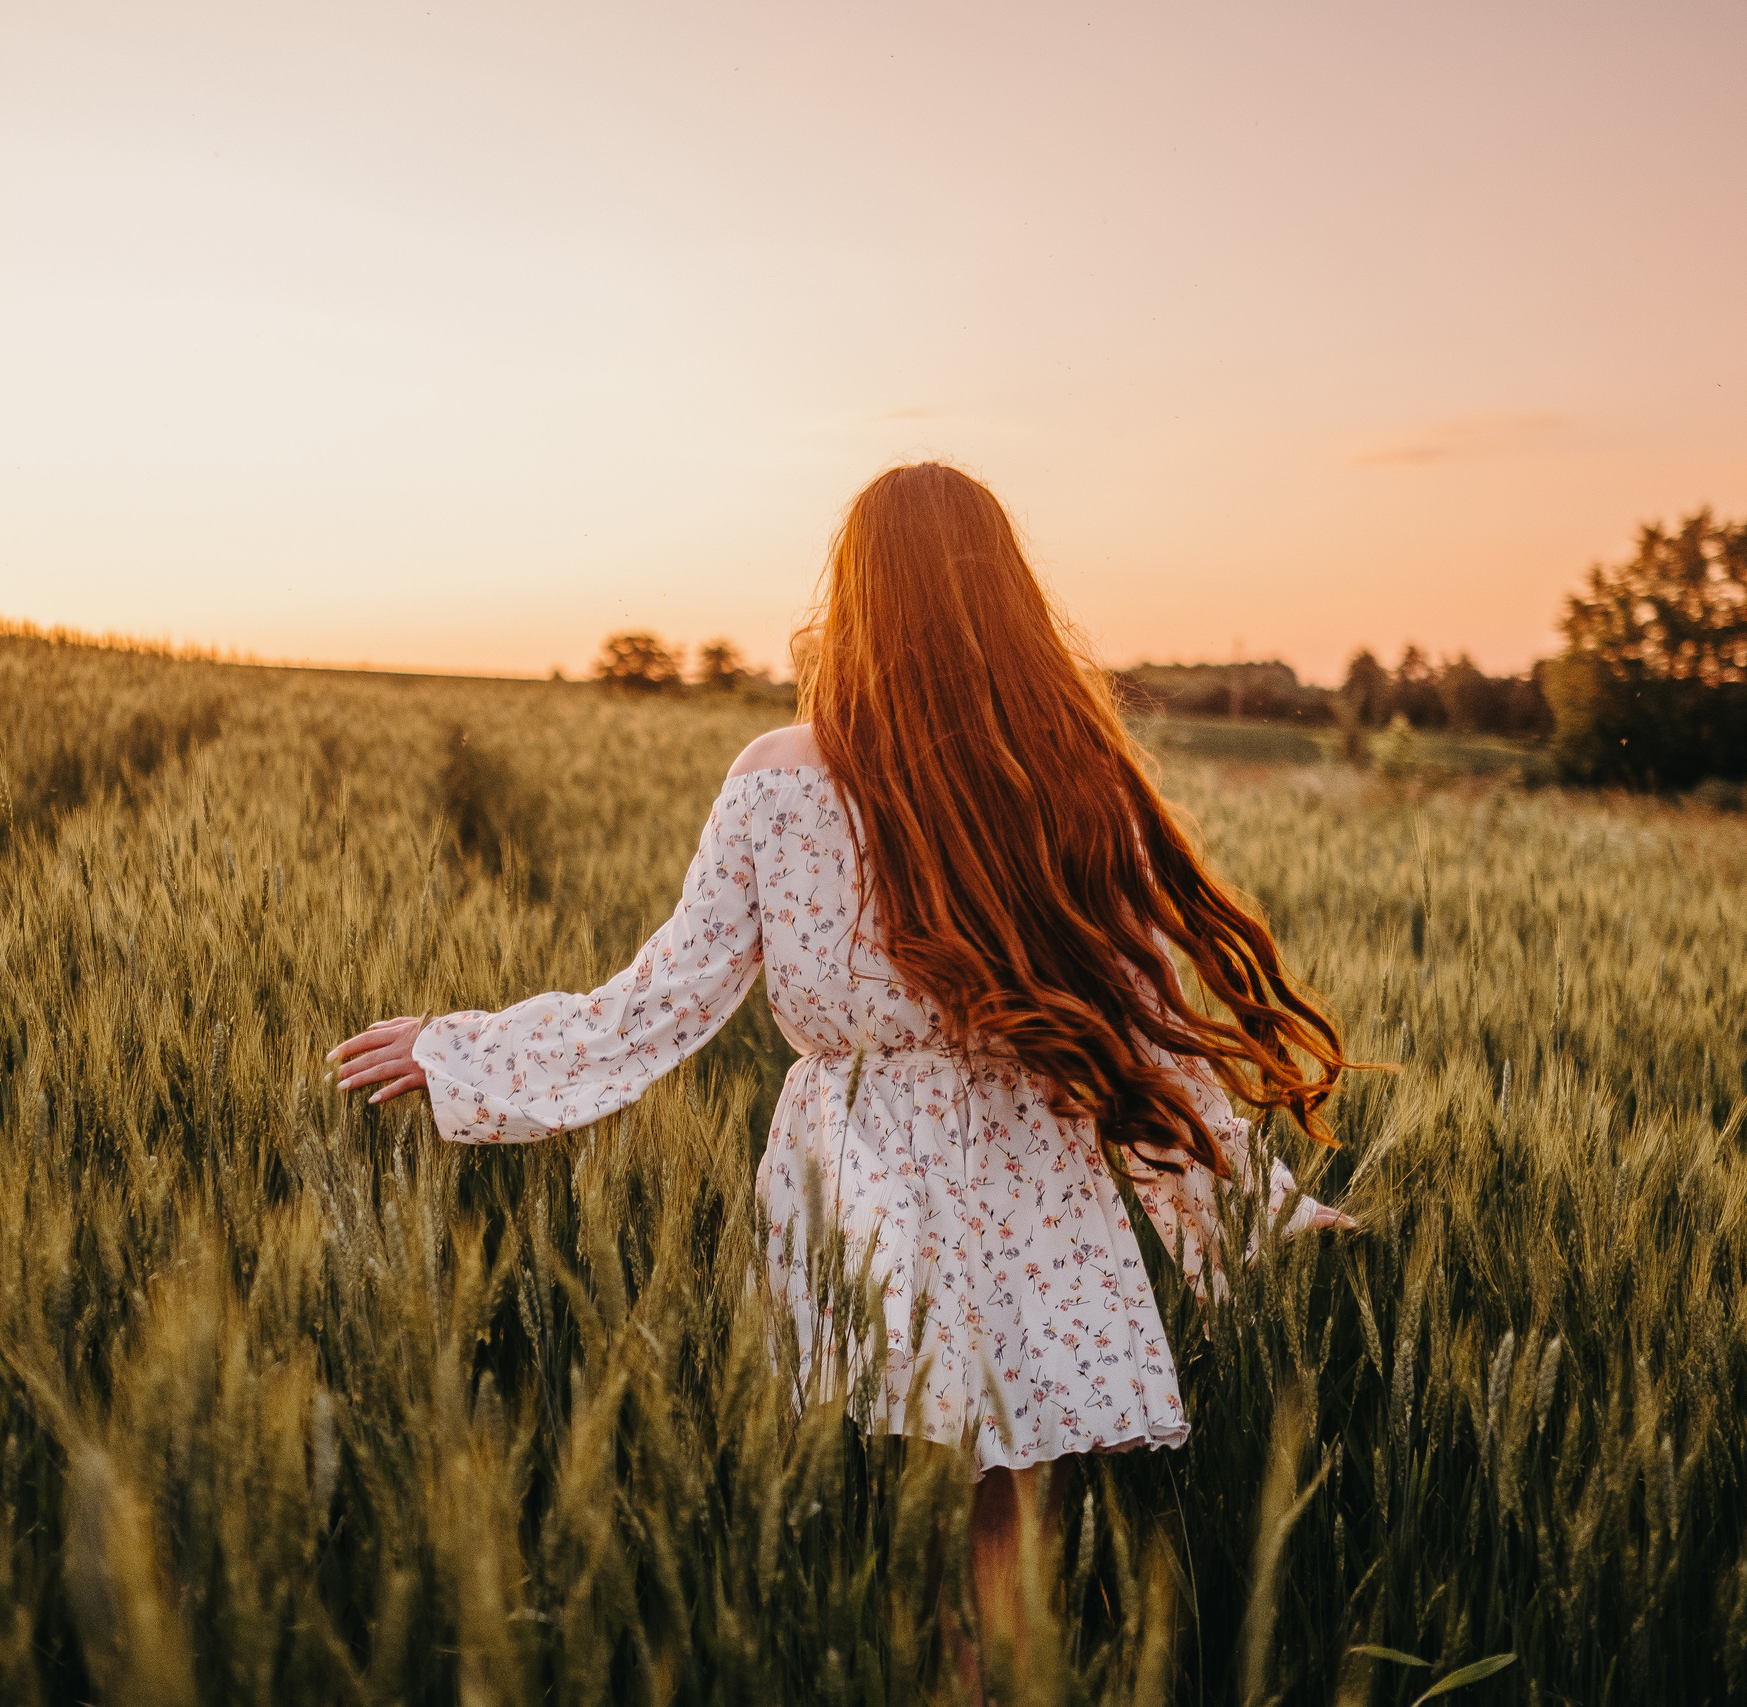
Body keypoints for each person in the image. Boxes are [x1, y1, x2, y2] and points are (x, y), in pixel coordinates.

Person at [328, 461, 1357, 1679]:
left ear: (856, 593)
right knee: (1009, 1529)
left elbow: (661, 998)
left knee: (902, 1508)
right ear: (1007, 596)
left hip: (862, 1169)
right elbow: (1143, 1027)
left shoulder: (779, 775)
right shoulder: (1066, 771)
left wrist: (461, 1051)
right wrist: (1264, 1210)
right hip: (1035, 1169)